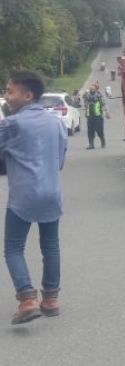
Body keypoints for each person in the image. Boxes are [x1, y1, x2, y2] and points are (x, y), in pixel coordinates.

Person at [0, 70, 67, 325]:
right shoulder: (57, 123)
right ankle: (51, 300)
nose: (7, 96)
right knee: (50, 246)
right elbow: (59, 161)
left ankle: (27, 299)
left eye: (10, 91)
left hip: (23, 196)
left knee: (13, 248)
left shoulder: (11, 124)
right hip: (52, 193)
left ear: (28, 96)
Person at [85, 84, 110, 149]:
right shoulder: (87, 95)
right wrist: (86, 113)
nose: (91, 90)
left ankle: (102, 140)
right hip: (90, 116)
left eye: (92, 89)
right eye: (90, 89)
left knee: (99, 131)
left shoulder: (99, 95)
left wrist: (107, 112)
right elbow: (86, 104)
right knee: (90, 131)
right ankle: (91, 144)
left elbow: (104, 104)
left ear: (96, 89)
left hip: (98, 116)